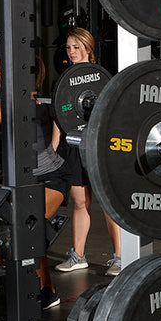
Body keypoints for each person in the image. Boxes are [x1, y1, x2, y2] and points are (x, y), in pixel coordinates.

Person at [0, 59, 70, 310]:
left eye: (2, 68)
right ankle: (8, 278)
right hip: (19, 181)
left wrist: (4, 92)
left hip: (50, 178)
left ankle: (47, 290)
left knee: (29, 226)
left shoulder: (36, 104)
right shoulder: (1, 100)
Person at [53, 28, 122, 277]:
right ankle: (78, 256)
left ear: (87, 48)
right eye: (69, 47)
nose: (71, 52)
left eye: (76, 47)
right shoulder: (63, 79)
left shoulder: (102, 78)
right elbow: (59, 116)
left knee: (106, 203)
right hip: (73, 146)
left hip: (96, 146)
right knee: (80, 202)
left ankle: (120, 258)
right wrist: (53, 148)